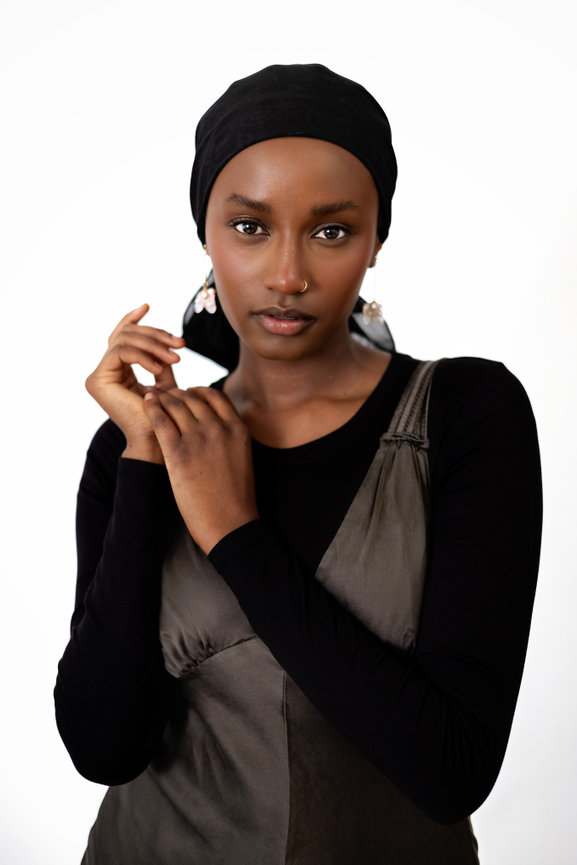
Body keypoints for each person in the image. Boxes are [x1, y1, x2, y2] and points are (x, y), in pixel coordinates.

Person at [54, 64, 542, 864]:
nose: (287, 274)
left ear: (376, 238)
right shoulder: (132, 446)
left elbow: (451, 770)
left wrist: (234, 532)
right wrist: (146, 455)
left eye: (330, 230)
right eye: (249, 227)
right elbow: (103, 748)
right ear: (204, 233)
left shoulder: (464, 414)